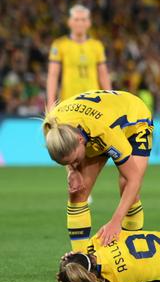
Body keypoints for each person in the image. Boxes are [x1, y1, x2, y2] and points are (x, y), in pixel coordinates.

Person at [42, 90, 153, 251]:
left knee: (127, 188)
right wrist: (72, 171)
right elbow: (67, 154)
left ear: (80, 141)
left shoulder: (104, 132)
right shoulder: (52, 128)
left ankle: (132, 257)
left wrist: (116, 222)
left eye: (74, 161)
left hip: (134, 120)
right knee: (77, 192)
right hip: (94, 122)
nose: (73, 164)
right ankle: (79, 260)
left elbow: (134, 179)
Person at [47, 4, 111, 110]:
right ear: (70, 22)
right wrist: (50, 102)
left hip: (93, 102)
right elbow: (53, 75)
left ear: (88, 23)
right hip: (69, 102)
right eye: (76, 19)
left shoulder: (97, 46)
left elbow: (103, 75)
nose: (80, 23)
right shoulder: (59, 45)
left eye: (83, 19)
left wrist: (110, 99)